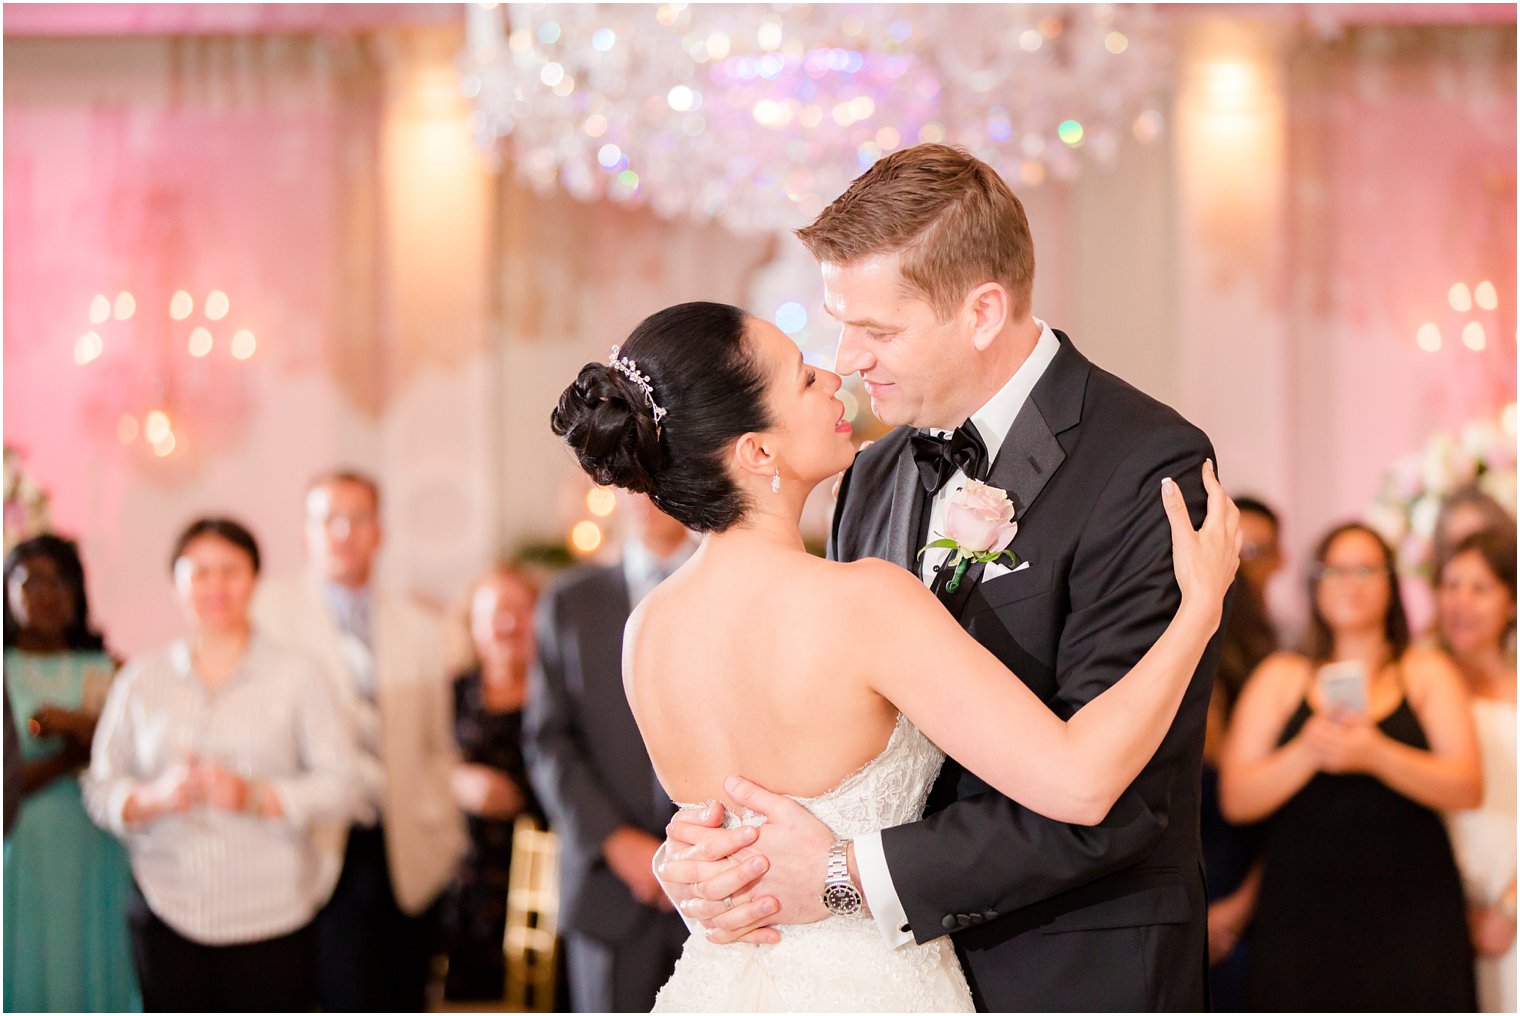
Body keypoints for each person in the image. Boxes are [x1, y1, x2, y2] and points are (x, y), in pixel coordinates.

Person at [656, 145, 1228, 1011]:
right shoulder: (872, 472)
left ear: (984, 311)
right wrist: (712, 851)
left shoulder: (1147, 465)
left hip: (1072, 970)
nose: (846, 360)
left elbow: (1123, 796)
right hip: (875, 973)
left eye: (877, 331)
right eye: (839, 323)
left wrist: (851, 878)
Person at [84, 518, 359, 1011]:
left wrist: (257, 796)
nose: (215, 586)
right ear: (176, 584)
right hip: (165, 909)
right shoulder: (141, 680)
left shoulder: (299, 676)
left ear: (254, 579)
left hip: (272, 914)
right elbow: (100, 786)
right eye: (200, 572)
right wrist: (152, 798)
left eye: (230, 571)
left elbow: (343, 786)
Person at [1220, 521, 1481, 1011]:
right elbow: (1236, 799)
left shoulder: (1424, 670)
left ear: (1391, 584)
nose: (1350, 583)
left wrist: (1375, 754)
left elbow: (1467, 785)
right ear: (1315, 584)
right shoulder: (1281, 676)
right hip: (1302, 910)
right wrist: (1308, 752)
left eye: (1365, 569)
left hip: (1414, 908)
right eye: (1334, 571)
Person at [252, 470, 465, 1011]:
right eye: (329, 519)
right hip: (316, 845)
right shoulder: (267, 618)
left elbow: (437, 744)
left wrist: (442, 827)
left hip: (408, 845)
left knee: (404, 994)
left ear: (379, 532)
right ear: (308, 533)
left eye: (359, 518)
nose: (344, 532)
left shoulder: (418, 627)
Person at [525, 492, 696, 1012]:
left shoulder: (732, 593)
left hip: (719, 881)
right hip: (610, 888)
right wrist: (618, 844)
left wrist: (700, 851)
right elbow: (548, 740)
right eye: (631, 480)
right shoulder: (570, 601)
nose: (645, 494)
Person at [3, 534, 139, 1012]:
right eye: (31, 582)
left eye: (61, 581)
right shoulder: (5, 669)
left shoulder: (111, 668)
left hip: (95, 842)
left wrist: (74, 732)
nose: (48, 594)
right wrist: (72, 751)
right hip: (25, 841)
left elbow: (133, 756)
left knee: (94, 956)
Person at [442, 564, 544, 1001]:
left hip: (542, 879)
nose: (507, 625)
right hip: (465, 880)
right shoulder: (450, 692)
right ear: (473, 626)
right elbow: (418, 767)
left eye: (520, 612)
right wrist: (456, 781)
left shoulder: (558, 692)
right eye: (495, 614)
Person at [1437, 527, 1517, 1012]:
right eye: (1451, 585)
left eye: (1480, 588)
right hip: (1442, 907)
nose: (1461, 602)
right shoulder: (1421, 681)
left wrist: (1510, 906)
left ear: (1511, 602)